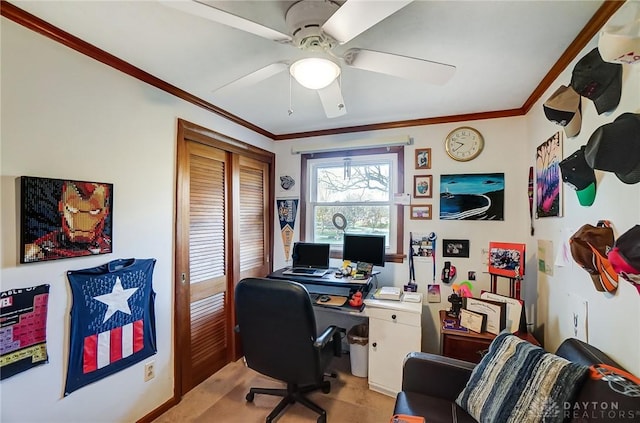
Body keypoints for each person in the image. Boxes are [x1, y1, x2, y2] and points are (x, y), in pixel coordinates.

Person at [24, 181, 111, 262]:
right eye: (72, 210)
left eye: (94, 211)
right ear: (61, 207)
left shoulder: (109, 247)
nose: (82, 221)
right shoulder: (39, 249)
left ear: (105, 211)